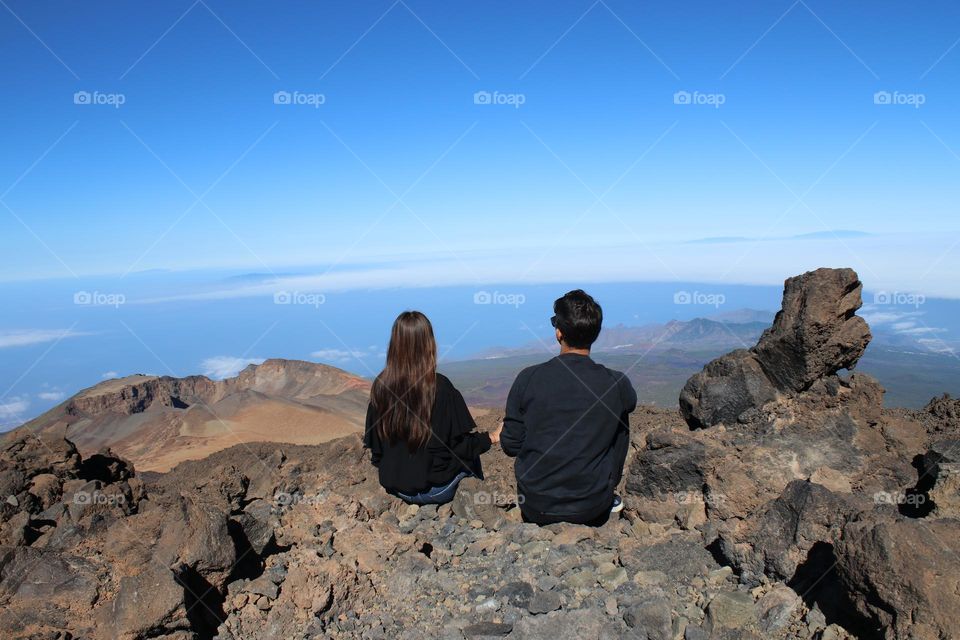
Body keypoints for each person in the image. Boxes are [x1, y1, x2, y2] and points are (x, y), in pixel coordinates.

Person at [498, 289, 637, 526]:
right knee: (620, 418)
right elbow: (631, 403)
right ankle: (609, 491)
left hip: (536, 505)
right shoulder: (616, 382)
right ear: (596, 333)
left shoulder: (528, 378)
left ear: (558, 332)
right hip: (592, 505)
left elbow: (511, 446)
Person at [364, 310, 495, 505]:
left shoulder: (380, 386)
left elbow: (376, 452)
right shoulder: (440, 388)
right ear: (429, 344)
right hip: (437, 491)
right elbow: (460, 446)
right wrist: (491, 438)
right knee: (471, 460)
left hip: (396, 490)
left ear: (394, 344)